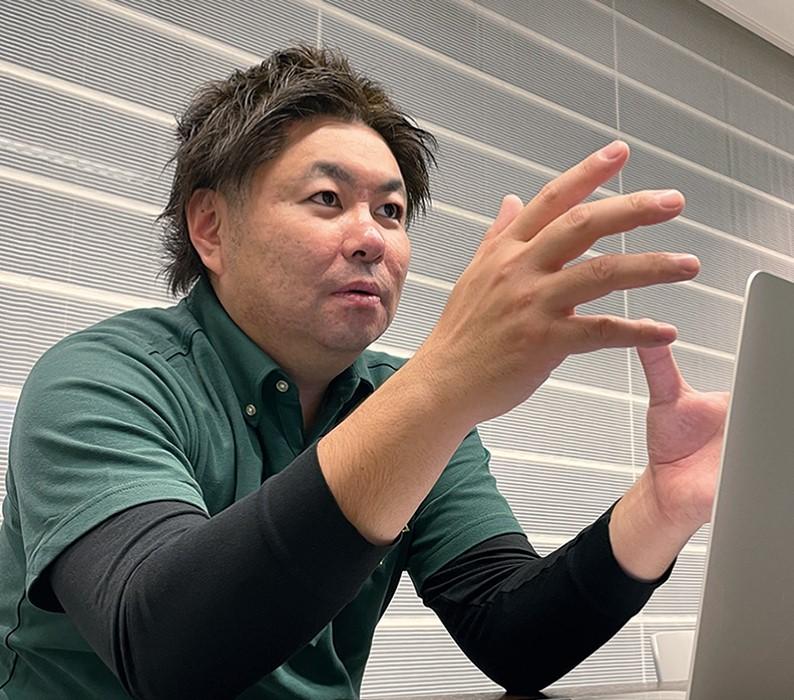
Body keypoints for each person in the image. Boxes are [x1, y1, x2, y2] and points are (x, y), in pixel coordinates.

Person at [0, 45, 727, 699]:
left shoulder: (405, 399)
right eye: (327, 199)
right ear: (211, 228)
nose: (372, 239)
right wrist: (443, 382)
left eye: (391, 210)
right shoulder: (98, 379)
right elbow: (162, 649)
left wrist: (661, 507)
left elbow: (512, 633)